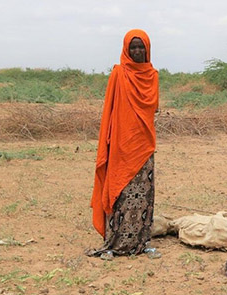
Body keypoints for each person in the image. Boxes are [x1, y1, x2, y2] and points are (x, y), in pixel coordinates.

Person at [87, 29, 160, 260]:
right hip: (121, 143)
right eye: (133, 47)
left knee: (144, 196)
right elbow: (109, 110)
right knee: (119, 192)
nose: (137, 51)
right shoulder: (118, 74)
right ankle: (112, 243)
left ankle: (141, 243)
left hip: (144, 145)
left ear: (147, 49)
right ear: (126, 50)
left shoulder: (153, 75)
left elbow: (152, 109)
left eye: (141, 47)